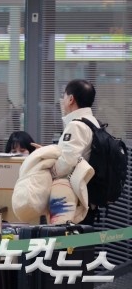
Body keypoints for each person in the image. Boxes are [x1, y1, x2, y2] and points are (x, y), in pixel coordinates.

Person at [51, 79, 100, 225]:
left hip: (73, 203)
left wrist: (49, 168)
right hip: (85, 199)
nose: (63, 100)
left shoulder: (77, 125)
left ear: (71, 99)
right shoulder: (92, 121)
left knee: (69, 247)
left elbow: (65, 164)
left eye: (64, 96)